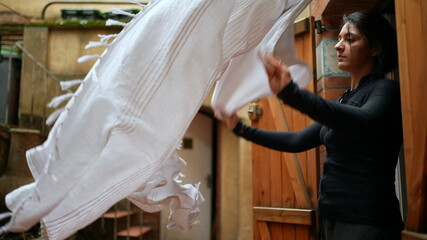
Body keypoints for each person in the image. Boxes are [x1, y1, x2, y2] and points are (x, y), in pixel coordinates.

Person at [221, 11, 403, 240]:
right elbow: (296, 141)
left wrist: (291, 93)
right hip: (330, 218)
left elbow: (363, 122)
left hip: (367, 220)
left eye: (350, 39)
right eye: (339, 38)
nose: (338, 45)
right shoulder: (345, 100)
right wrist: (240, 128)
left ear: (375, 48)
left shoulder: (386, 90)